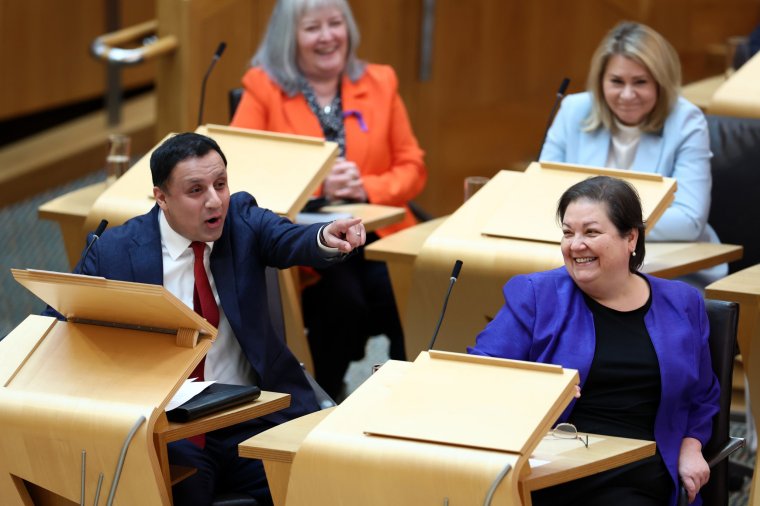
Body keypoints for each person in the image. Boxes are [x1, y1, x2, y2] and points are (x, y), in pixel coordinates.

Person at [69, 132, 366, 505]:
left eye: (220, 184)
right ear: (161, 198)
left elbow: (289, 238)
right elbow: (58, 322)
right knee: (183, 491)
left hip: (254, 415)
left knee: (321, 484)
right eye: (196, 190)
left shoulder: (242, 220)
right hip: (172, 428)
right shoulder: (114, 252)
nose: (214, 200)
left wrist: (325, 235)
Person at [469, 176, 720, 506]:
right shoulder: (536, 295)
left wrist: (691, 446)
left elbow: (703, 396)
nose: (575, 245)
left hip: (638, 471)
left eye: (590, 232)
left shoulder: (683, 303)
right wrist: (537, 391)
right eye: (568, 232)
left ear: (630, 237)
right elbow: (478, 374)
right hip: (549, 469)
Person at [230, 0, 427, 399]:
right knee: (342, 304)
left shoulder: (381, 81)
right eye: (312, 28)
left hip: (382, 234)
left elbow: (413, 167)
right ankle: (326, 396)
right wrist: (317, 188)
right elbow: (238, 174)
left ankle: (404, 398)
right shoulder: (263, 89)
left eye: (335, 24)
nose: (327, 37)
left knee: (406, 298)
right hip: (310, 237)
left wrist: (366, 188)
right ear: (290, 38)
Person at [539, 21, 724, 285]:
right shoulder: (573, 110)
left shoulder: (686, 120)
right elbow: (538, 197)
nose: (627, 95)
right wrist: (600, 235)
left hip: (668, 266)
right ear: (600, 80)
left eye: (640, 82)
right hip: (583, 261)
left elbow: (689, 220)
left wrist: (603, 230)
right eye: (616, 81)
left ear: (661, 83)